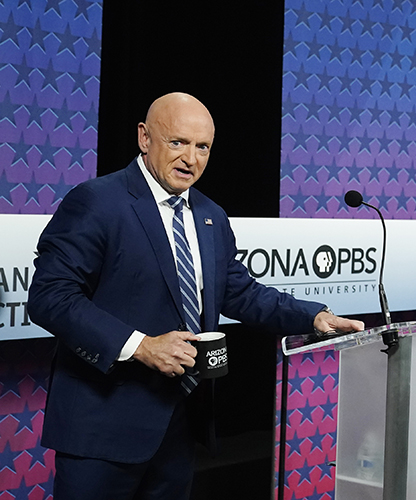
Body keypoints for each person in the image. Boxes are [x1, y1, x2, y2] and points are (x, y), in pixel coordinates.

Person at [28, 92, 364, 500]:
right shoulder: (97, 202)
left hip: (178, 426)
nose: (191, 158)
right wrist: (142, 346)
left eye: (202, 147)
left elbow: (238, 292)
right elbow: (50, 296)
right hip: (102, 428)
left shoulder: (210, 215)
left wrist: (314, 318)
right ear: (144, 138)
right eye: (177, 142)